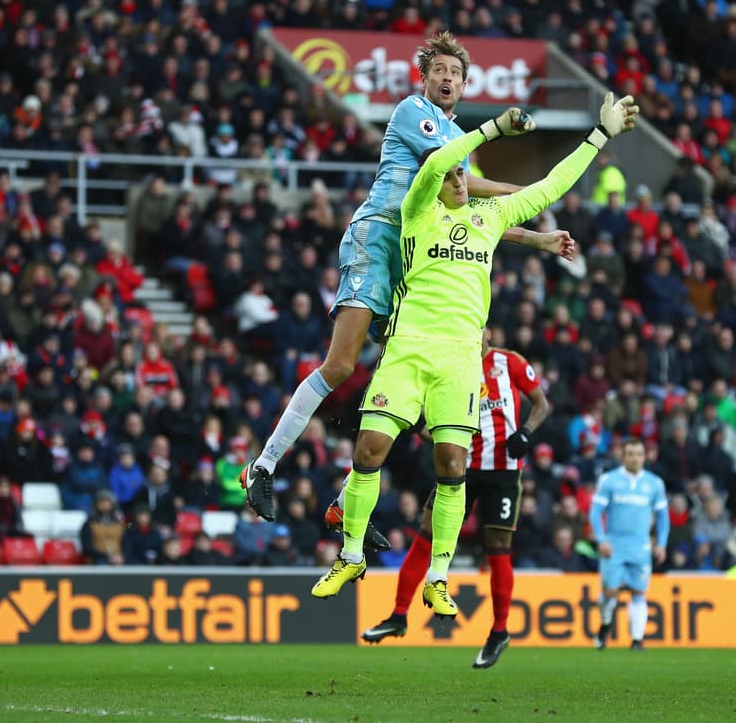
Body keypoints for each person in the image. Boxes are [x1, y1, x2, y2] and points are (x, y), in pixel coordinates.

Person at [310, 92, 639, 615]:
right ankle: (350, 554)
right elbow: (439, 159)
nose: (459, 179)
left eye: (465, 175)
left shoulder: (491, 217)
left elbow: (550, 187)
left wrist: (599, 135)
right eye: (452, 175)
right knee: (370, 448)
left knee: (452, 464)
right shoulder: (418, 211)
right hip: (409, 350)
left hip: (462, 358)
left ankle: (438, 576)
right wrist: (490, 131)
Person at [242, 32, 575, 529]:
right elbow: (463, 178)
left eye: (456, 73)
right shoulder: (412, 114)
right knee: (340, 364)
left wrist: (537, 233)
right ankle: (262, 466)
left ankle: (346, 502)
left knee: (410, 401)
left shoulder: (455, 138)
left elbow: (477, 217)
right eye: (439, 70)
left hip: (410, 257)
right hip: (377, 240)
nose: (447, 78)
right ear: (424, 77)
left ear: (465, 85)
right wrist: (531, 192)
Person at [359, 332, 551, 669]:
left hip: (503, 471)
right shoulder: (450, 365)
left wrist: (526, 432)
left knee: (498, 546)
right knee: (427, 533)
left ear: (488, 332)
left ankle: (499, 631)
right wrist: (435, 432)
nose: (475, 338)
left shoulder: (510, 362)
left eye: (480, 332)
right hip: (460, 469)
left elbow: (542, 404)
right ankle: (399, 614)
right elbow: (426, 424)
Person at [590, 439, 670, 650]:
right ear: (623, 456)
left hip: (641, 547)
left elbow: (663, 517)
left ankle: (637, 640)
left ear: (645, 456)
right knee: (609, 593)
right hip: (613, 545)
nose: (635, 458)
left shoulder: (654, 483)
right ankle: (605, 625)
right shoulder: (609, 480)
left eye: (639, 454)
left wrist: (661, 544)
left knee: (638, 592)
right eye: (631, 454)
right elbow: (595, 512)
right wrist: (601, 539)